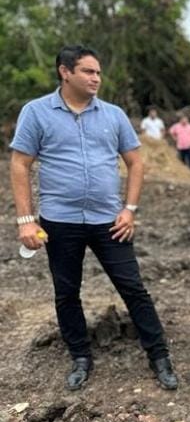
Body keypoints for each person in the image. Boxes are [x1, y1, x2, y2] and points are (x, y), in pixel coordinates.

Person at [9, 45, 178, 391]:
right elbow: (20, 164)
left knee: (133, 287)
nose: (96, 78)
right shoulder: (37, 112)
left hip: (109, 221)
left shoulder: (113, 115)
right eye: (88, 71)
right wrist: (26, 219)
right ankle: (80, 356)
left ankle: (159, 356)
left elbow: (136, 162)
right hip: (59, 221)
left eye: (98, 72)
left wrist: (129, 210)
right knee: (67, 292)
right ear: (65, 72)